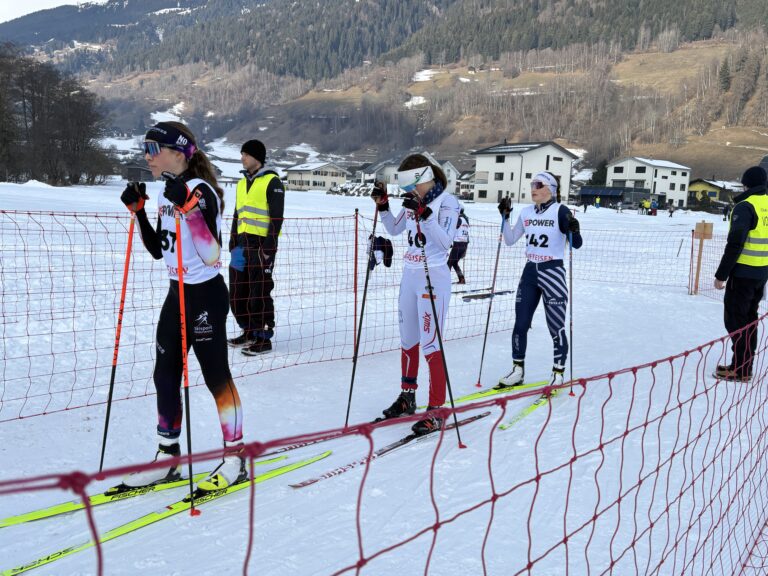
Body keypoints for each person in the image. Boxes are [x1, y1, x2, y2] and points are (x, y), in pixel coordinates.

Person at [119, 121, 246, 492]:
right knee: (165, 373)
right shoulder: (165, 192)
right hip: (176, 294)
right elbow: (160, 249)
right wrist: (140, 212)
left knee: (216, 376)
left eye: (153, 149)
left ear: (178, 152)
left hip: (205, 294)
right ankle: (168, 455)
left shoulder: (200, 190)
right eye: (145, 148)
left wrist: (188, 207)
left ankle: (235, 456)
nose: (147, 156)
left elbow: (211, 254)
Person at [370, 154, 460, 434]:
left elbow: (446, 242)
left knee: (431, 343)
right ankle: (407, 396)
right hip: (409, 274)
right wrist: (383, 206)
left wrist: (426, 216)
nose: (408, 193)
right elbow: (394, 229)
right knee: (408, 340)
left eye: (410, 187)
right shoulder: (413, 201)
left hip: (433, 275)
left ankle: (436, 410)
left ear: (422, 179)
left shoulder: (447, 202)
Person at [496, 171, 583, 389]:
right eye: (532, 184)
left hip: (552, 271)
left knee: (556, 326)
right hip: (530, 273)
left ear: (550, 189)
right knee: (520, 324)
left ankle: (558, 371)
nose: (533, 188)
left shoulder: (560, 210)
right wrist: (505, 217)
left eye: (538, 184)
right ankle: (518, 370)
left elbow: (576, 244)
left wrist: (575, 229)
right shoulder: (526, 212)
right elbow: (509, 240)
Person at [227, 140, 285, 356]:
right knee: (237, 292)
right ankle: (248, 331)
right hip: (241, 245)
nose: (242, 158)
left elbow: (276, 217)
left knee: (258, 291)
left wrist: (268, 247)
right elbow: (237, 213)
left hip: (261, 245)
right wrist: (233, 242)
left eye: (245, 154)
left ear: (257, 157)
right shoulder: (242, 183)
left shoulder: (273, 182)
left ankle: (263, 337)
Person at [713, 166, 768, 382]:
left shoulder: (746, 206)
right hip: (761, 273)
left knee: (736, 320)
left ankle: (741, 369)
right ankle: (744, 365)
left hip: (743, 273)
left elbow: (735, 243)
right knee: (750, 319)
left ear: (746, 184)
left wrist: (721, 275)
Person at [448, 208, 470, 283]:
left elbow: (452, 230)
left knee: (449, 263)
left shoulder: (458, 219)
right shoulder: (466, 221)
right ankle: (461, 278)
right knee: (454, 262)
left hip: (458, 244)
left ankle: (444, 281)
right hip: (464, 244)